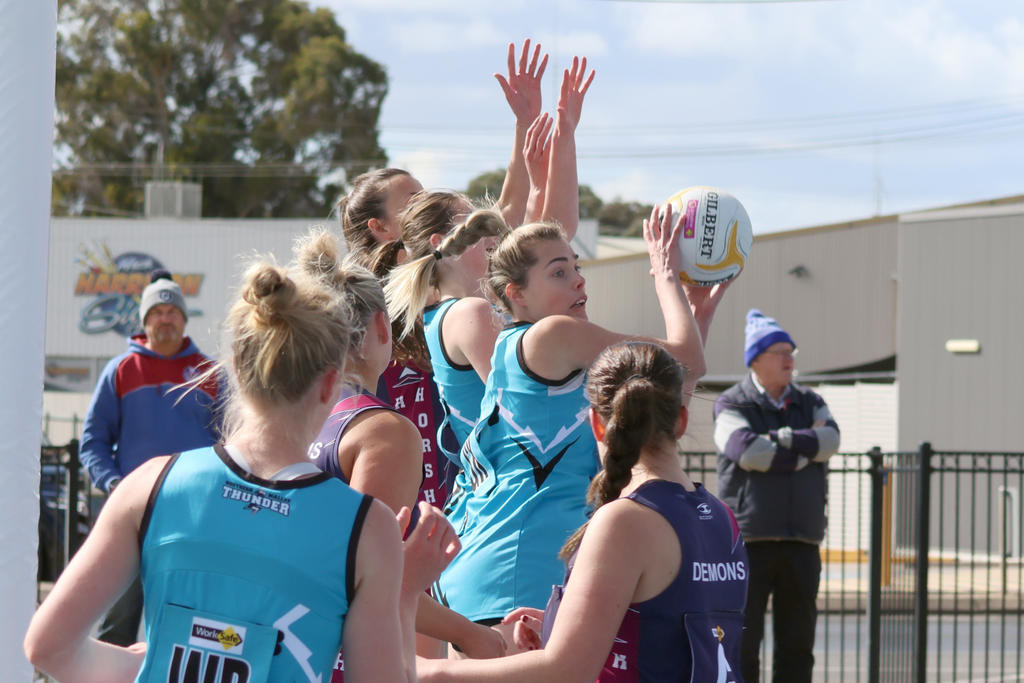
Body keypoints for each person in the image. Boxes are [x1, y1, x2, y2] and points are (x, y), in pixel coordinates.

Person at [25, 258, 459, 682]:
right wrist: (404, 597)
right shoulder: (368, 528)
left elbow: (47, 647)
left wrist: (159, 662)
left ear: (234, 367)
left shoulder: (151, 484)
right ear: (331, 382)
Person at [434, 203, 730, 648]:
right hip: (515, 575)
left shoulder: (547, 359)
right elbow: (687, 358)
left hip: (509, 574)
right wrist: (665, 276)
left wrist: (696, 317)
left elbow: (661, 423)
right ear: (516, 293)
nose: (578, 280)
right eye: (558, 272)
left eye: (577, 267)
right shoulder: (553, 336)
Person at [417, 342, 747, 682]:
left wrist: (429, 671)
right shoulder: (722, 517)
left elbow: (566, 671)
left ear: (596, 424)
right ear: (681, 421)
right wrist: (567, 622)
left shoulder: (625, 521)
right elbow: (669, 635)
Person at [297, 229, 506, 664]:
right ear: (381, 326)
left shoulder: (295, 422)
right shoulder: (383, 432)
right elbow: (370, 578)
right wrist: (471, 635)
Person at [78, 269, 220, 646]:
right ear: (144, 320)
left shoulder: (209, 373)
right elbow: (92, 442)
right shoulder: (121, 370)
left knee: (186, 623)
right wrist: (115, 485)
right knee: (118, 622)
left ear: (184, 319)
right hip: (132, 517)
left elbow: (231, 442)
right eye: (156, 312)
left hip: (193, 517)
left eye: (173, 311)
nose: (165, 318)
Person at [713, 308, 841, 683]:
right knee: (743, 645)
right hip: (748, 544)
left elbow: (831, 441)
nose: (789, 360)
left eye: (791, 352)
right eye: (780, 352)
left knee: (798, 647)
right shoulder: (731, 402)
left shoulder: (810, 401)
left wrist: (780, 439)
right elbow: (748, 452)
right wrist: (803, 451)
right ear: (756, 359)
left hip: (802, 542)